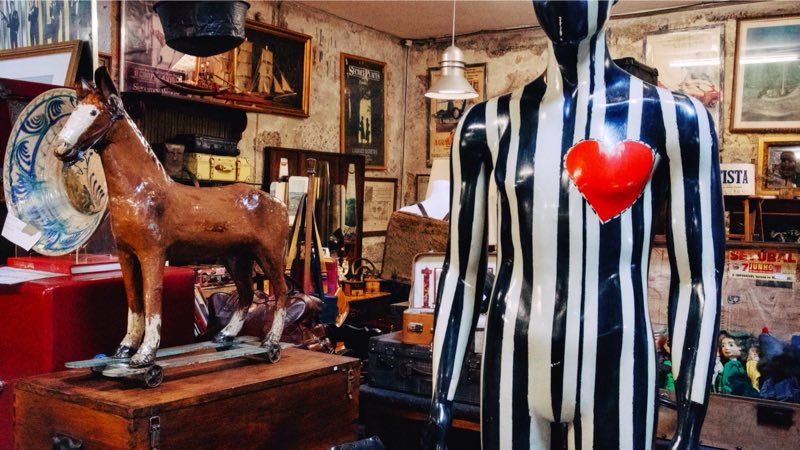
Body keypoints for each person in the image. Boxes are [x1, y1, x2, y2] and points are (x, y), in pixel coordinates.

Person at [424, 1, 724, 449]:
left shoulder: (675, 119)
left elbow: (699, 277)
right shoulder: (485, 125)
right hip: (512, 357)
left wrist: (690, 415)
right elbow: (461, 272)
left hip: (616, 360)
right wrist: (440, 398)